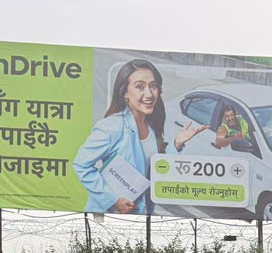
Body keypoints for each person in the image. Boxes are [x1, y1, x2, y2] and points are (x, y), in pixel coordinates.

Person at [73, 58, 209, 214]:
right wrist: (113, 200)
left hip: (140, 216)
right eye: (140, 87)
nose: (149, 94)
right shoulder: (111, 127)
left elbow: (154, 169)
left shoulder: (152, 127)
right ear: (125, 93)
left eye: (153, 86)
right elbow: (81, 165)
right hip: (106, 217)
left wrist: (177, 143)